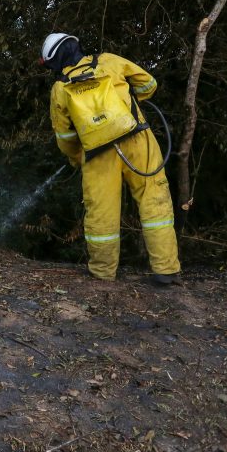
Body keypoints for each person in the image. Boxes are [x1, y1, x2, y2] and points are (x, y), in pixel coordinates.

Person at [41, 33, 181, 286]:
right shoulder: (109, 61)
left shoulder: (60, 88)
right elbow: (148, 84)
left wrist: (77, 158)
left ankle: (103, 273)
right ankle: (167, 270)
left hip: (96, 154)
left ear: (55, 61)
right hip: (138, 139)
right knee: (154, 202)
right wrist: (128, 103)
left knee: (101, 213)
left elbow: (65, 137)